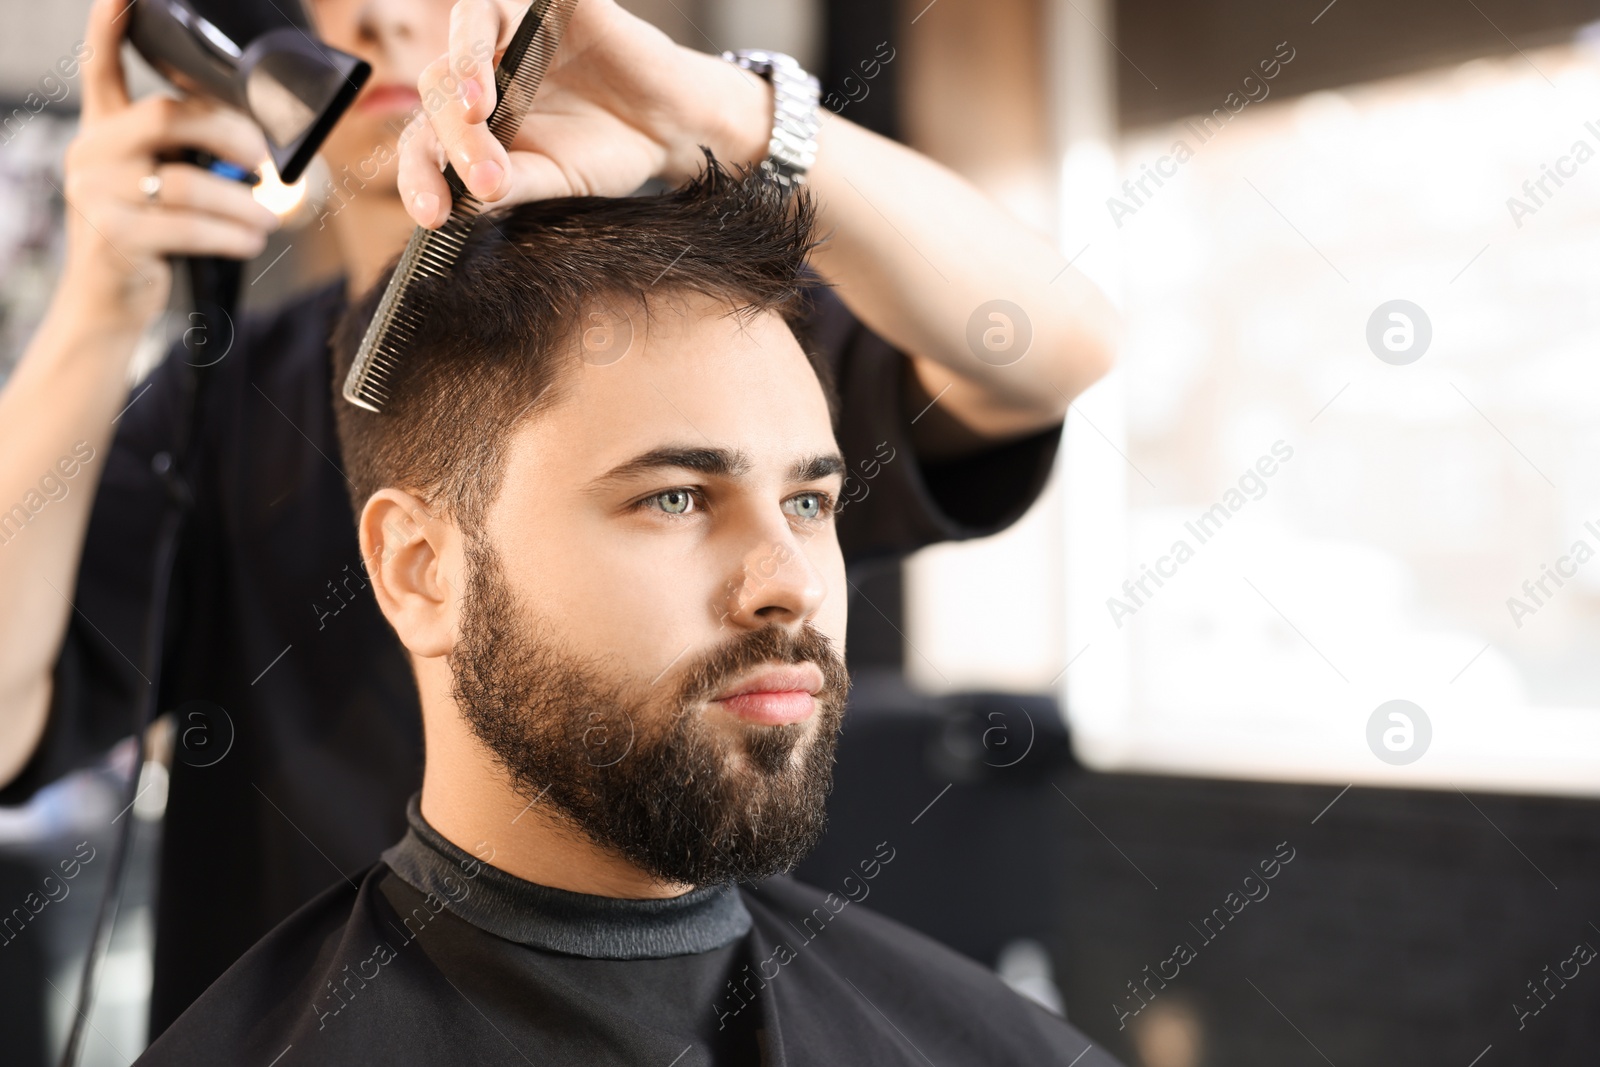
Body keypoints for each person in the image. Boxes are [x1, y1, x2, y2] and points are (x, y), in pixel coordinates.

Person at [0, 0, 1115, 1035]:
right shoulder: (213, 409)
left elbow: (1053, 346)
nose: (383, 16)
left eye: (804, 497)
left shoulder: (700, 342)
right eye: (671, 495)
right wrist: (100, 302)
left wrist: (718, 115)